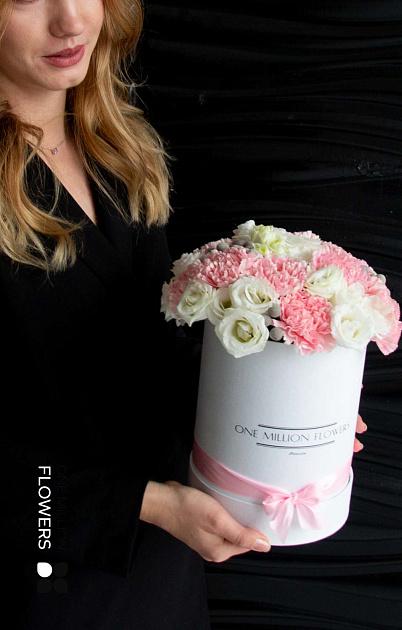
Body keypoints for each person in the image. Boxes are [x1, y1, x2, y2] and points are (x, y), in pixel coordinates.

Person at [0, 1, 366, 628]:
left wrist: (289, 409)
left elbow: (150, 350)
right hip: (45, 574)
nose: (72, 21)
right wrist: (141, 505)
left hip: (166, 563)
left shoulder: (117, 148)